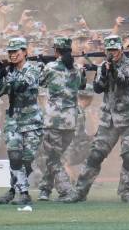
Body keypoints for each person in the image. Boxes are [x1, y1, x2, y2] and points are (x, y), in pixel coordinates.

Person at [64, 35, 129, 203]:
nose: (112, 53)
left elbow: (125, 81)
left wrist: (113, 70)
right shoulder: (103, 66)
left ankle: (127, 191)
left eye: (115, 50)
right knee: (95, 155)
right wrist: (105, 74)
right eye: (109, 50)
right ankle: (79, 191)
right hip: (110, 118)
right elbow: (98, 89)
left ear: (121, 50)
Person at [0, 36, 43, 206]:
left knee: (26, 160)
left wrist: (6, 74)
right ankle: (24, 193)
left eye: (16, 51)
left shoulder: (33, 69)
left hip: (32, 120)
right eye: (10, 52)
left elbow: (22, 85)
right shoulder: (9, 70)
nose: (12, 54)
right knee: (14, 156)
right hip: (13, 119)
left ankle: (13, 190)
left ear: (25, 52)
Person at [36, 36, 86, 202]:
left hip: (53, 120)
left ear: (56, 51)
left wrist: (41, 64)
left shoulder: (50, 67)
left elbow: (40, 82)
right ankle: (45, 189)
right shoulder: (77, 68)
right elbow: (82, 85)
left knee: (53, 158)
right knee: (54, 157)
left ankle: (67, 190)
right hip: (71, 121)